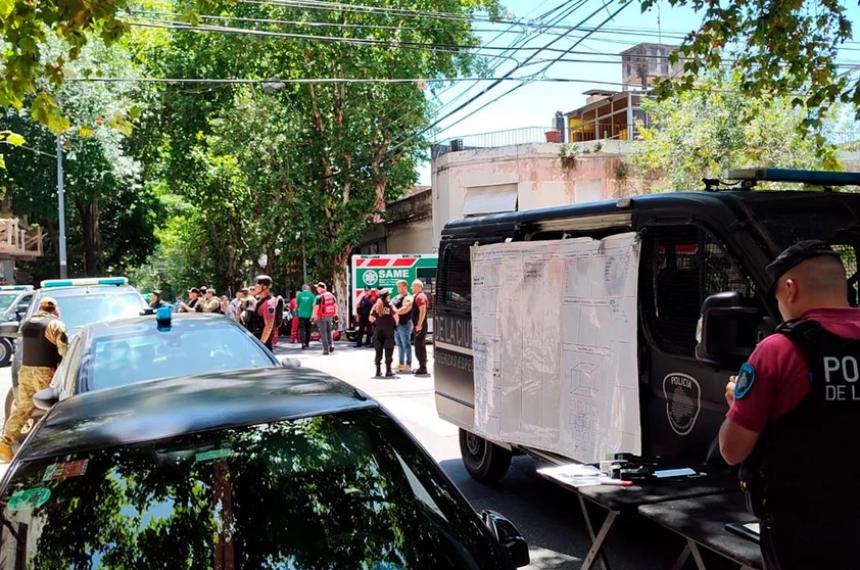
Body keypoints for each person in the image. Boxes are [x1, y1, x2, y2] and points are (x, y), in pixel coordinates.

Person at [718, 241, 860, 570]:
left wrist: (735, 403)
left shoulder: (779, 350)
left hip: (806, 530)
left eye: (778, 297)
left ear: (790, 289)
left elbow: (732, 450)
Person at [0, 297, 67, 461]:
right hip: (44, 373)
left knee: (23, 409)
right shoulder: (55, 324)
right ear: (54, 309)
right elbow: (64, 351)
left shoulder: (27, 323)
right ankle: (53, 449)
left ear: (40, 307)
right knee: (52, 410)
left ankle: (5, 444)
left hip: (25, 371)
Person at [370, 289, 398, 378]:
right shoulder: (390, 305)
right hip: (388, 331)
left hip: (378, 331)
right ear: (386, 296)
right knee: (388, 350)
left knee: (378, 351)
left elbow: (371, 318)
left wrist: (377, 322)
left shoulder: (376, 305)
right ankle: (388, 371)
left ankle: (378, 371)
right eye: (388, 295)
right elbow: (396, 315)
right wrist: (396, 323)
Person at [392, 280, 414, 373]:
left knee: (406, 344)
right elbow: (390, 304)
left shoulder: (409, 297)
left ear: (405, 286)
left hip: (405, 324)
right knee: (399, 345)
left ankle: (408, 365)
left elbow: (405, 309)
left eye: (399, 286)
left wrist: (394, 312)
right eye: (397, 286)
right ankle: (401, 363)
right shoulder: (397, 297)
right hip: (396, 325)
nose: (398, 288)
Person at [312, 282, 337, 355]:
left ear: (320, 288)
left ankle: (326, 350)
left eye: (317, 288)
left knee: (323, 333)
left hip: (321, 316)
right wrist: (335, 315)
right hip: (330, 315)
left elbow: (316, 308)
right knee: (329, 331)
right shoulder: (331, 295)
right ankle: (331, 345)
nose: (316, 289)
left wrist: (313, 317)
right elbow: (335, 305)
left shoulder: (319, 297)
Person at [411, 279, 430, 375]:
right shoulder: (418, 296)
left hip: (420, 326)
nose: (411, 288)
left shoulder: (420, 297)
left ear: (418, 287)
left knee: (419, 346)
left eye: (413, 286)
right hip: (419, 325)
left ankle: (423, 367)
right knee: (419, 345)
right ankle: (422, 366)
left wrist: (419, 325)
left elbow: (422, 311)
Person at [296, 284, 315, 349]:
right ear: (308, 288)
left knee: (302, 329)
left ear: (302, 289)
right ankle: (307, 343)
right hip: (309, 315)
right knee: (308, 329)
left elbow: (297, 304)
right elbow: (314, 305)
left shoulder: (299, 295)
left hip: (301, 315)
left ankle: (303, 343)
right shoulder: (312, 295)